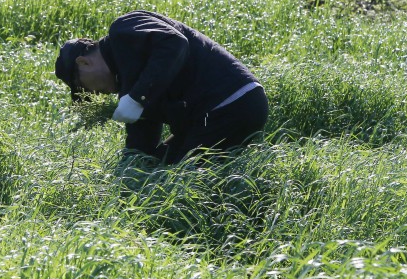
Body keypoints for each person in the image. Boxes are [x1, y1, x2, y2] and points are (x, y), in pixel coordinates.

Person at [55, 10, 268, 164]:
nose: (93, 94)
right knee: (158, 167)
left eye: (82, 86)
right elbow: (142, 141)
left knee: (180, 179)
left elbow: (175, 43)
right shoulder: (128, 82)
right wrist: (128, 169)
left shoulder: (123, 30)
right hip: (217, 113)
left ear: (83, 62)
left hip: (232, 102)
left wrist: (138, 97)